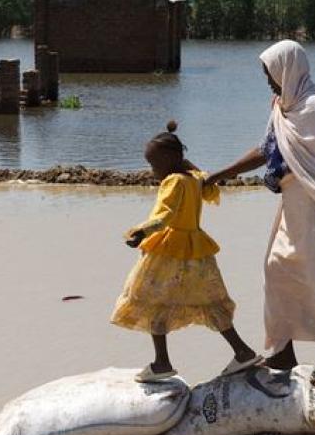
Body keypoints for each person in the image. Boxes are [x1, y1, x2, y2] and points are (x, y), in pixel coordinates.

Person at [205, 41, 315, 388]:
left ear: (288, 71)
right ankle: (282, 350)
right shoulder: (282, 107)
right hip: (293, 202)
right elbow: (266, 150)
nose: (270, 83)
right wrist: (221, 174)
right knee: (276, 269)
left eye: (272, 75)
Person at [112, 121, 261, 383]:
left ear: (170, 160)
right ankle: (242, 351)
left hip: (168, 251)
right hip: (197, 253)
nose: (152, 170)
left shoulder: (173, 182)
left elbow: (165, 216)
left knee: (152, 300)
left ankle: (162, 363)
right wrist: (185, 162)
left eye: (154, 163)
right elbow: (202, 176)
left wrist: (141, 232)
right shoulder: (194, 179)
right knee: (212, 302)